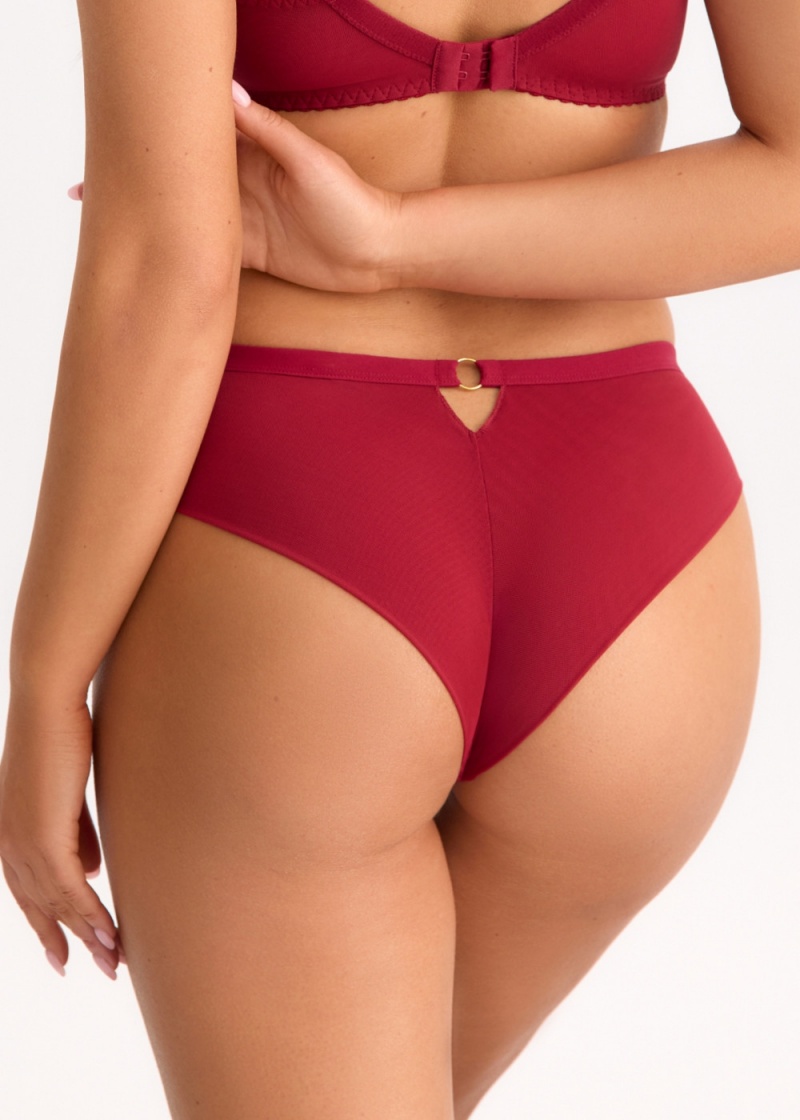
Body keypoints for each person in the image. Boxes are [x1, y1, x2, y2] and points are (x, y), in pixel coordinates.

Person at [2, 0, 796, 1116]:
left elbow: (165, 267)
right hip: (642, 558)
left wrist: (44, 679)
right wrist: (391, 236)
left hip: (302, 549)